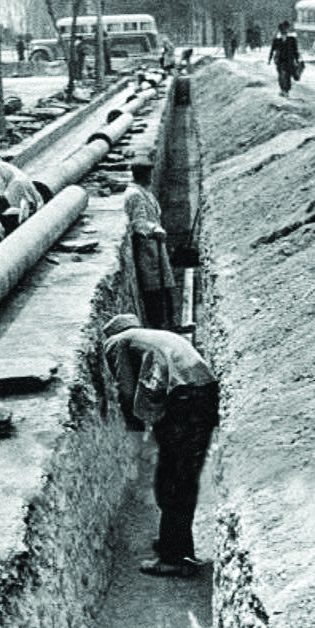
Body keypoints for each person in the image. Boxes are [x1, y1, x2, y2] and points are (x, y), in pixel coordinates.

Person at [103, 314, 219, 577]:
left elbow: (126, 388)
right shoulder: (155, 337)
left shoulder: (118, 342)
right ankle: (175, 543)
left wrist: (135, 433)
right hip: (205, 396)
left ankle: (175, 558)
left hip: (182, 400)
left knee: (170, 481)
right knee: (184, 478)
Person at [123, 156, 177, 330]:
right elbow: (138, 223)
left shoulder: (143, 191)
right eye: (148, 174)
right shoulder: (135, 195)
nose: (151, 177)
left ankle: (169, 323)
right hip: (147, 250)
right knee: (153, 290)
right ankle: (160, 325)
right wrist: (154, 229)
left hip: (155, 247)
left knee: (162, 286)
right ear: (142, 175)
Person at [268, 20, 300, 97]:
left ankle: (285, 90)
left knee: (286, 75)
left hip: (288, 60)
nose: (284, 31)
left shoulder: (291, 39)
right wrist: (269, 59)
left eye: (285, 29)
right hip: (280, 60)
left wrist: (296, 59)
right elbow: (272, 49)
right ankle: (283, 89)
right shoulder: (278, 39)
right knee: (282, 75)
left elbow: (295, 50)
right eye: (283, 29)